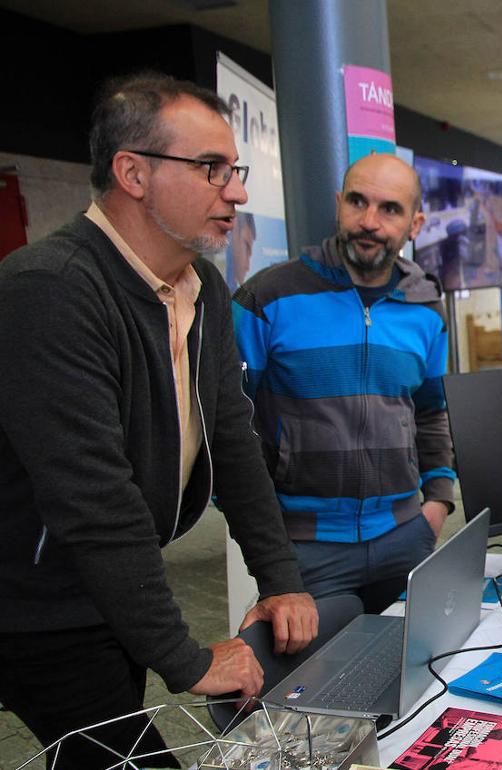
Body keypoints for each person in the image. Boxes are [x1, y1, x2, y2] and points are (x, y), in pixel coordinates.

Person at [0, 72, 317, 768]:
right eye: (211, 169)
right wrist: (185, 657)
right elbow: (94, 503)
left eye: (234, 170)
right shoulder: (49, 291)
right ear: (133, 172)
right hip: (38, 606)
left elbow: (233, 442)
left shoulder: (201, 286)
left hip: (111, 593)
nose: (235, 191)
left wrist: (281, 577)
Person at [233, 152, 456, 614]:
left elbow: (432, 410)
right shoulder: (267, 298)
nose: (369, 221)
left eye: (389, 209)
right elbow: (227, 424)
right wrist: (266, 536)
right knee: (305, 684)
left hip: (405, 537)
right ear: (339, 204)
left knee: (413, 678)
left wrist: (438, 501)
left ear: (415, 224)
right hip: (304, 548)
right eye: (357, 202)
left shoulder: (426, 310)